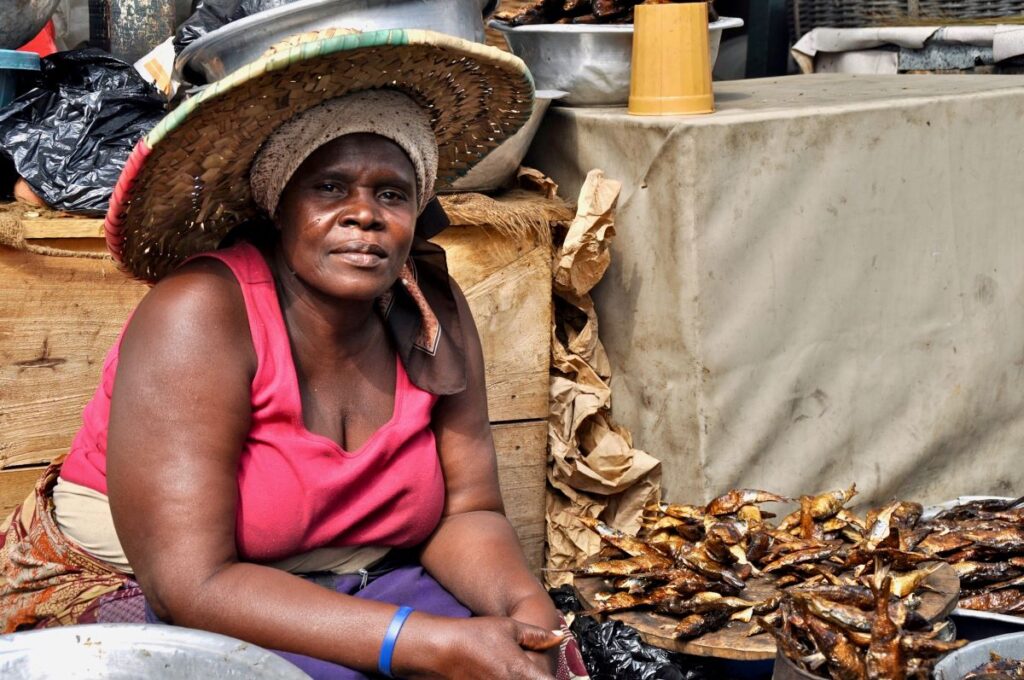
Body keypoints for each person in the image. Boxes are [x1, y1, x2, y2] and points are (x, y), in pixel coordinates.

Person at [0, 29, 590, 680]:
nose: (364, 215)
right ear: (280, 206)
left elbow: (468, 513)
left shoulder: (428, 316)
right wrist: (432, 643)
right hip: (152, 592)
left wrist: (530, 616)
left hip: (352, 582)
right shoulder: (202, 313)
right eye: (331, 189)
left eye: (391, 194)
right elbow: (190, 583)